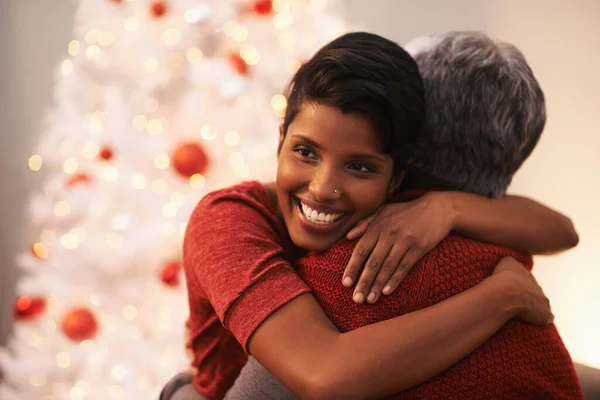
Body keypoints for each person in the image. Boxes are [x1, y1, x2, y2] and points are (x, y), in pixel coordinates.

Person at [161, 32, 574, 400]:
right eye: (306, 151)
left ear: (398, 177)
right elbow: (321, 373)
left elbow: (562, 230)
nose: (323, 188)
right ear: (280, 139)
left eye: (359, 166)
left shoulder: (397, 224)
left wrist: (446, 208)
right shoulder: (227, 221)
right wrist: (502, 297)